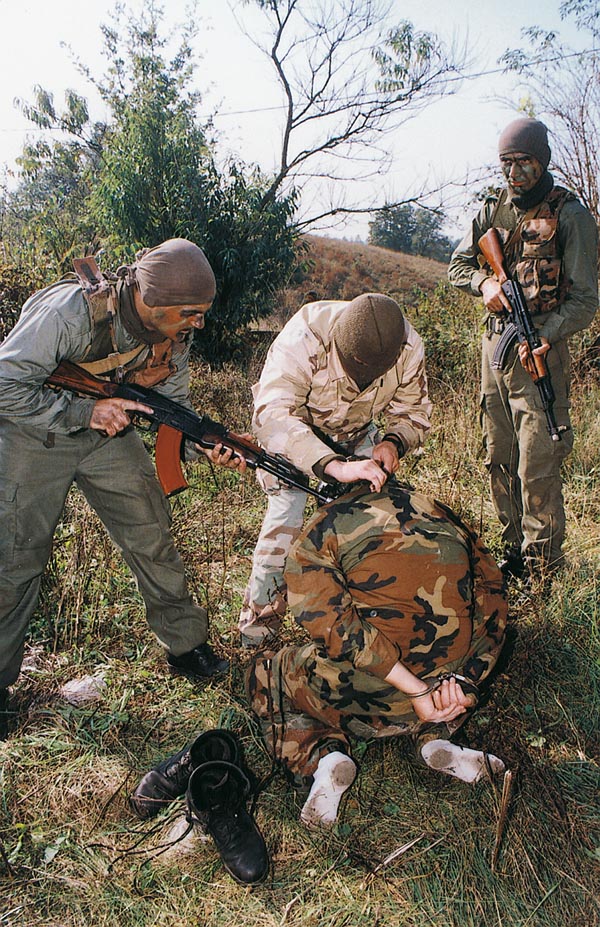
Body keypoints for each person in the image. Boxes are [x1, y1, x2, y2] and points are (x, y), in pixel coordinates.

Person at [0, 238, 245, 740]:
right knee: (15, 559)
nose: (198, 324)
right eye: (191, 313)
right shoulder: (68, 313)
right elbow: (5, 384)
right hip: (34, 432)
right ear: (152, 302)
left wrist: (205, 445)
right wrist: (82, 412)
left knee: (151, 532)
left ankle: (186, 645)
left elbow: (171, 412)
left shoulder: (173, 335)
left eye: (201, 313)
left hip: (108, 433)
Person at [246, 479, 507, 828]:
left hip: (367, 697)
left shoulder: (327, 525)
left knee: (266, 671)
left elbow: (334, 629)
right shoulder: (442, 513)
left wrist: (414, 689)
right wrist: (466, 678)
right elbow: (492, 596)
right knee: (442, 657)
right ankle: (435, 739)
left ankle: (323, 757)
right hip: (443, 696)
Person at [448, 117, 598, 581]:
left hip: (540, 352)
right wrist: (485, 283)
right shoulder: (492, 210)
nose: (514, 173)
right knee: (499, 453)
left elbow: (586, 300)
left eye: (524, 162)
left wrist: (549, 332)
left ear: (543, 161)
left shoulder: (570, 215)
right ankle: (513, 549)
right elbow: (457, 265)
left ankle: (543, 567)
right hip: (496, 346)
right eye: (506, 163)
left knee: (538, 460)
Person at [239, 292, 432, 647]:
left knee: (380, 522)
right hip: (295, 438)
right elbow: (272, 414)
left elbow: (413, 413)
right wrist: (334, 467)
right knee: (285, 526)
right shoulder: (306, 334)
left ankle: (371, 623)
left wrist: (393, 442)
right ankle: (259, 635)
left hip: (357, 436)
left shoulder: (406, 344)